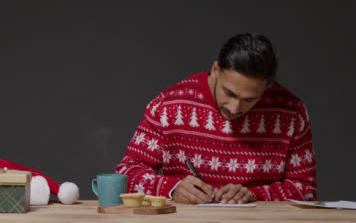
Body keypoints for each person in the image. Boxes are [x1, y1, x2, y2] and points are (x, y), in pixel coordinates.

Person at [115, 33, 316, 204]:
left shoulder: (291, 112)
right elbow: (126, 174)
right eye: (228, 93)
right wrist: (172, 188)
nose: (234, 108)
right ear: (215, 70)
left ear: (267, 88)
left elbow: (306, 190)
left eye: (249, 99)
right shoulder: (169, 105)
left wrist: (255, 195)